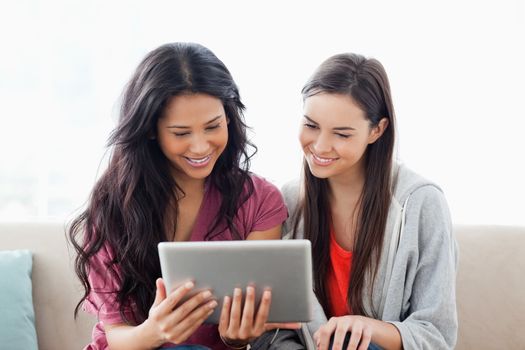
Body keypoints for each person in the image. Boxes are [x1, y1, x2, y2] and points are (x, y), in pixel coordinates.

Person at [68, 42, 291, 350]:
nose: (200, 147)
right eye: (181, 133)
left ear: (229, 117)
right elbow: (117, 336)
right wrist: (156, 331)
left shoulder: (259, 201)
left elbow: (241, 331)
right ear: (150, 130)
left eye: (212, 126)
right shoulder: (114, 207)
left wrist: (237, 339)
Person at [281, 53, 458, 350]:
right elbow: (276, 335)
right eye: (311, 126)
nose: (320, 146)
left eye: (341, 134)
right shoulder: (287, 202)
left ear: (377, 130)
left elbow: (436, 335)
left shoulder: (421, 203)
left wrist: (366, 327)